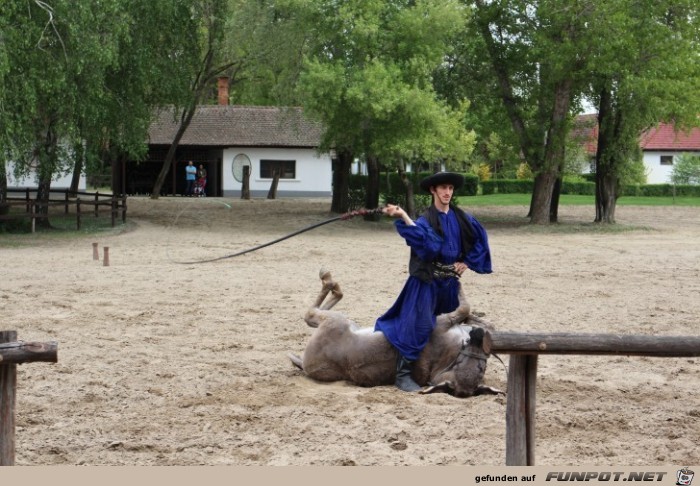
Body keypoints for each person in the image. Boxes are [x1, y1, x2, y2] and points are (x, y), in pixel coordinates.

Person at [375, 171, 492, 392]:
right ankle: (403, 374)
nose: (447, 192)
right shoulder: (425, 219)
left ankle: (443, 367)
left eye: (450, 188)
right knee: (419, 326)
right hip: (426, 284)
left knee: (450, 327)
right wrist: (404, 216)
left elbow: (480, 238)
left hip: (449, 285)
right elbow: (429, 246)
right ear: (433, 191)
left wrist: (466, 262)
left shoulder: (461, 218)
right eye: (443, 188)